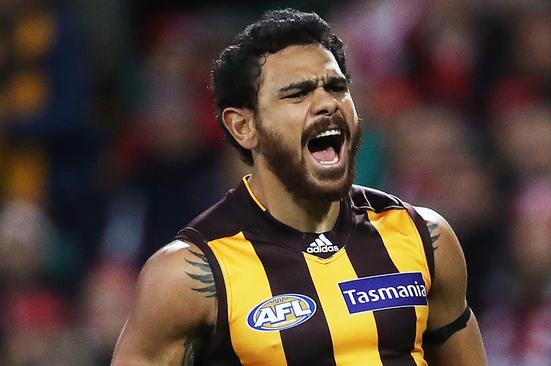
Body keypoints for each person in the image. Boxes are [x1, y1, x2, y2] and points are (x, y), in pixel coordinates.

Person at [112, 8, 487, 365]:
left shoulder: (426, 237)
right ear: (244, 127)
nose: (326, 103)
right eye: (298, 93)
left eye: (336, 87)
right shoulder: (189, 274)